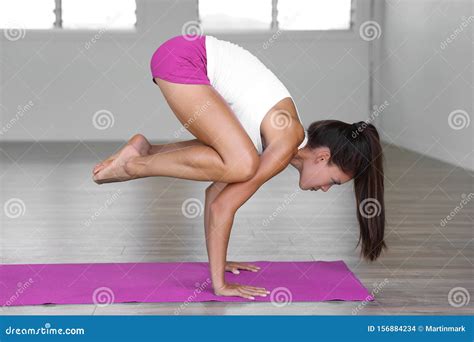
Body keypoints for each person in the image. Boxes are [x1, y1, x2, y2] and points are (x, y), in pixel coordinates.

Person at [92, 34, 387, 300]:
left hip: (181, 55)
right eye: (332, 182)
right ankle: (134, 165)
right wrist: (220, 285)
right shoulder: (286, 140)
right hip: (185, 58)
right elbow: (224, 207)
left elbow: (215, 197)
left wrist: (218, 264)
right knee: (242, 163)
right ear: (323, 158)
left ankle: (144, 150)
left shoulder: (272, 141)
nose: (324, 189)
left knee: (237, 163)